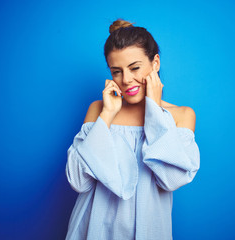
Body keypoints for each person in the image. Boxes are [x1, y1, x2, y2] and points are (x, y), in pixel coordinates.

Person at [65, 19, 200, 240]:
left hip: (148, 230)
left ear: (155, 63)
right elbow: (79, 182)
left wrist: (155, 111)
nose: (126, 80)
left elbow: (172, 179)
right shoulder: (99, 110)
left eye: (135, 68)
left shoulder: (181, 116)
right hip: (92, 230)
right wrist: (107, 116)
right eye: (116, 71)